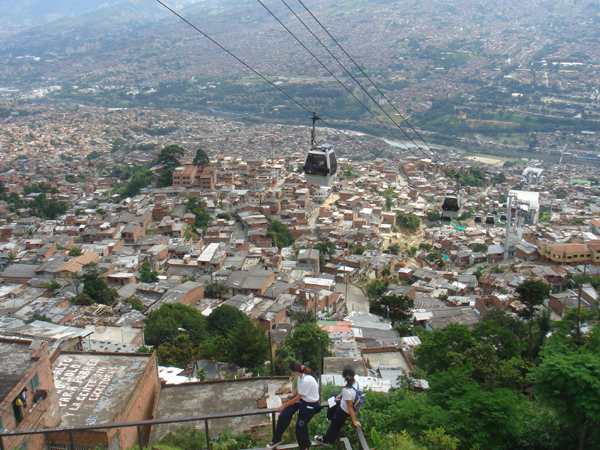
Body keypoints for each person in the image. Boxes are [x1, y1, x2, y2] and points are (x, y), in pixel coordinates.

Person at [267, 361, 321, 450]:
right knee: (284, 415)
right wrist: (291, 397)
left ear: (294, 372)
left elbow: (297, 398)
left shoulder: (306, 380)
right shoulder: (300, 377)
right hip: (302, 399)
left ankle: (306, 446)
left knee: (300, 428)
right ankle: (277, 438)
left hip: (309, 404)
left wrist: (283, 406)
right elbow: (297, 389)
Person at [314, 366, 361, 445]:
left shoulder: (346, 390)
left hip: (344, 410)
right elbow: (348, 393)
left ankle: (326, 440)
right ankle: (329, 418)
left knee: (335, 425)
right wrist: (339, 396)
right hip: (348, 402)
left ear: (344, 377)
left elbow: (349, 407)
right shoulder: (357, 382)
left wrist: (354, 421)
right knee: (333, 396)